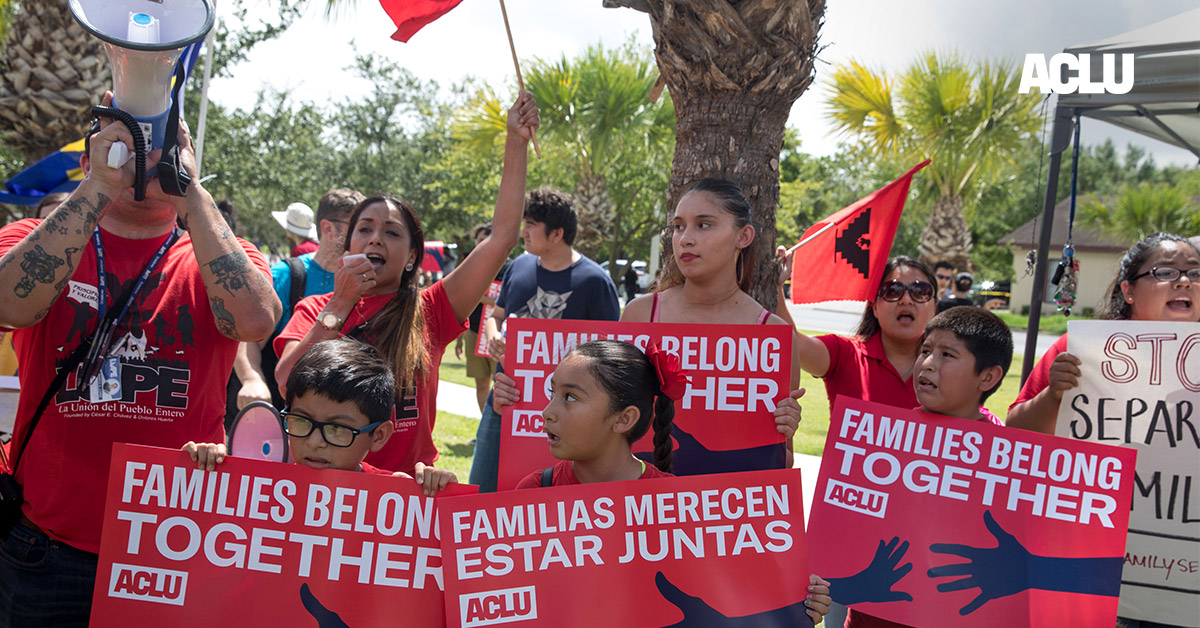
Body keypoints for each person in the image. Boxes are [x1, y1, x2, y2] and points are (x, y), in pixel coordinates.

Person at [0, 92, 280, 625]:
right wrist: (98, 187)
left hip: (172, 551)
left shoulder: (220, 254)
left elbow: (255, 322)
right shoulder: (29, 239)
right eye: (124, 145)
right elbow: (8, 302)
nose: (144, 159)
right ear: (87, 159)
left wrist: (191, 195)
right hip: (47, 552)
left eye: (161, 146)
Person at [274, 93, 539, 476]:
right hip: (325, 489)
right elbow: (286, 381)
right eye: (364, 229)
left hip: (403, 500)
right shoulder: (315, 310)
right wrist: (341, 304)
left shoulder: (431, 309)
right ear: (349, 244)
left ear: (413, 257)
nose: (375, 239)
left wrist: (515, 141)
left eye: (392, 232)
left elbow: (501, 238)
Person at [516, 339, 831, 626]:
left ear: (624, 419)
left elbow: (725, 601)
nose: (547, 411)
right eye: (552, 392)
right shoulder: (533, 494)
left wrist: (798, 600)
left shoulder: (678, 508)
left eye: (570, 397)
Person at [618, 178, 806, 468]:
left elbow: (783, 464)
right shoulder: (639, 315)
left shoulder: (773, 335)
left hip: (723, 510)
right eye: (679, 226)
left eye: (703, 224)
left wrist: (782, 434)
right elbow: (606, 435)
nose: (685, 238)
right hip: (642, 508)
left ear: (743, 237)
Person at [468, 187, 621, 492]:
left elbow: (611, 352)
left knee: (548, 498)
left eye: (530, 225)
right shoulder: (518, 267)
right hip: (506, 399)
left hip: (567, 411)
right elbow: (497, 315)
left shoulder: (595, 281)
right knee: (481, 490)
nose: (522, 232)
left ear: (556, 234)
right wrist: (493, 334)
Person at [185, 339, 457, 496]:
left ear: (378, 436)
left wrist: (440, 496)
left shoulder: (394, 494)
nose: (315, 442)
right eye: (301, 421)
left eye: (337, 428)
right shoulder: (256, 483)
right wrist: (203, 467)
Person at [1007, 232, 1200, 434]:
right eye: (1165, 272)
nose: (1185, 281)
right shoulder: (1078, 349)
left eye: (1196, 273)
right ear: (1129, 291)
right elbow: (1015, 431)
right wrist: (1053, 395)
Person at [231, 188, 365, 419]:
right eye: (360, 227)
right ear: (328, 228)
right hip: (281, 413)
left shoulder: (369, 280)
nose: (369, 237)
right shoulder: (287, 276)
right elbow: (248, 339)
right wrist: (253, 380)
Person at [794, 256, 939, 415]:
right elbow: (789, 342)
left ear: (934, 308)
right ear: (874, 307)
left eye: (920, 292)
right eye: (893, 291)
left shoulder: (951, 367)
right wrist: (776, 284)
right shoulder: (844, 353)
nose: (906, 300)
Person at [453, 222, 510, 412]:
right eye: (478, 241)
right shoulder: (470, 266)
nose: (480, 245)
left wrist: (483, 297)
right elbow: (462, 302)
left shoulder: (510, 268)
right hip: (474, 332)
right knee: (481, 384)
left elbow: (508, 302)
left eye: (485, 240)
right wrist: (460, 338)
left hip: (501, 338)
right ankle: (483, 429)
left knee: (501, 385)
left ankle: (500, 433)